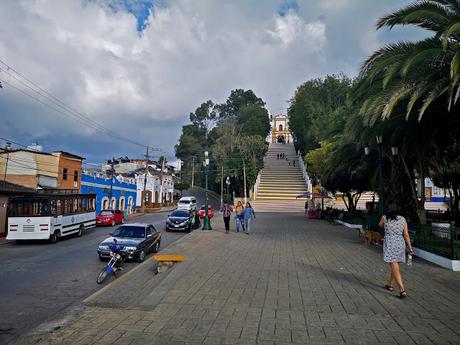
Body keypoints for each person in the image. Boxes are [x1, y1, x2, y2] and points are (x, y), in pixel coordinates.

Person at [378, 200, 413, 299]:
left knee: (395, 267)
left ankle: (402, 290)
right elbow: (406, 234)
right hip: (400, 243)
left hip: (390, 243)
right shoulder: (402, 219)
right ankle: (389, 284)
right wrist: (410, 247)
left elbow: (380, 225)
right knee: (395, 266)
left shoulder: (384, 218)